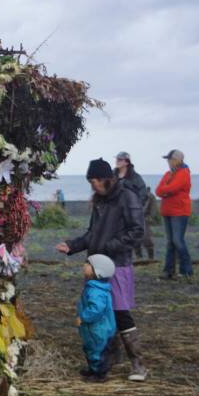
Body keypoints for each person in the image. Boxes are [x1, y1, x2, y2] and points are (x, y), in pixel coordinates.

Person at [56, 158, 148, 382]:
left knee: (119, 311)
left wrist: (109, 247)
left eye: (95, 181)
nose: (93, 186)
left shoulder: (127, 197)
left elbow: (137, 231)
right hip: (97, 264)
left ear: (107, 179)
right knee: (103, 312)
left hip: (117, 264)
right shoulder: (100, 201)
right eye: (90, 182)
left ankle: (138, 365)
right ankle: (110, 358)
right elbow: (92, 234)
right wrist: (73, 246)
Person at [77, 254, 117, 383]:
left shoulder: (96, 290)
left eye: (88, 264)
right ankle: (93, 369)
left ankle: (100, 374)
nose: (84, 265)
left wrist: (83, 317)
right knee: (91, 348)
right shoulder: (94, 287)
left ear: (97, 272)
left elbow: (96, 309)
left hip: (98, 329)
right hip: (94, 329)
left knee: (97, 350)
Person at [155, 149, 193, 280]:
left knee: (177, 241)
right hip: (168, 211)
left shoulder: (184, 173)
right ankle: (169, 270)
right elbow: (158, 191)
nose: (168, 162)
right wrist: (166, 190)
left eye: (170, 159)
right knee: (170, 242)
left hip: (179, 212)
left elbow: (172, 188)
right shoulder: (168, 174)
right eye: (168, 159)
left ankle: (186, 270)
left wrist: (166, 190)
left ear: (178, 160)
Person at [115, 152, 154, 259]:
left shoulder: (135, 177)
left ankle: (151, 257)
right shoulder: (113, 176)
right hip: (117, 212)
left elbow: (143, 194)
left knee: (144, 236)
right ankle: (137, 258)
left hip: (134, 212)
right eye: (117, 159)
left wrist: (136, 207)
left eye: (120, 159)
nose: (117, 161)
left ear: (126, 162)